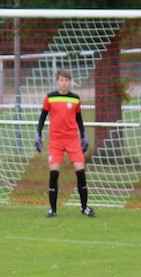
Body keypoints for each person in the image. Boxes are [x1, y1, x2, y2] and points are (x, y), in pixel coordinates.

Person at [35, 69, 96, 218]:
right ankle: (53, 209)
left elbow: (79, 119)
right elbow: (42, 117)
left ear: (70, 82)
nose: (64, 83)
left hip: (72, 140)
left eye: (67, 80)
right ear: (57, 82)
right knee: (54, 174)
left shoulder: (75, 99)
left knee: (80, 173)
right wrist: (38, 134)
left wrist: (84, 136)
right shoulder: (50, 98)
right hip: (56, 140)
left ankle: (84, 207)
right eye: (62, 80)